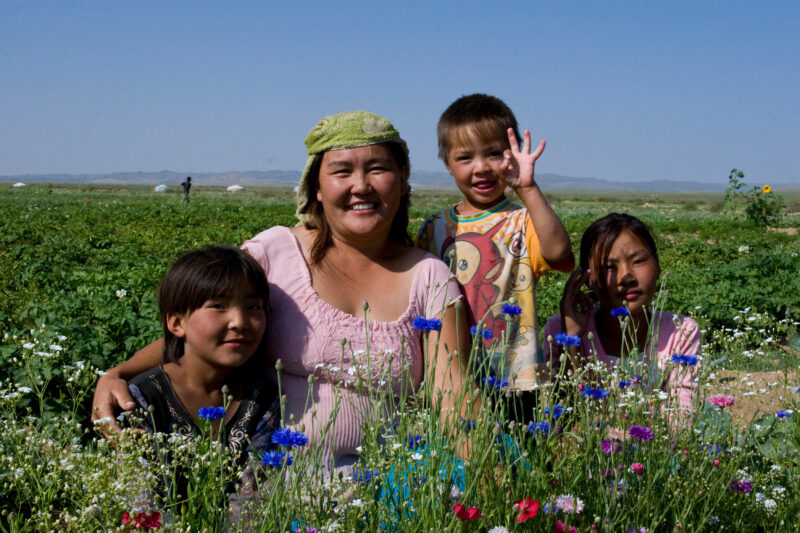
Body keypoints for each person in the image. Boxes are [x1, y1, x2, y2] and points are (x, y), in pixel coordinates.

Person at [92, 111, 470, 471]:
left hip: (383, 482)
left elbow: (455, 399)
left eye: (378, 168)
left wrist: (490, 483)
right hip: (264, 482)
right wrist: (118, 373)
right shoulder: (274, 252)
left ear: (402, 180)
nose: (361, 185)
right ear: (317, 188)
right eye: (342, 171)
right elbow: (205, 326)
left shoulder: (430, 277)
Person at [416, 94, 574, 421]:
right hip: (448, 374)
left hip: (512, 376)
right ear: (446, 163)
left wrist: (527, 189)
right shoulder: (433, 228)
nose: (481, 168)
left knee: (516, 461)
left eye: (493, 154)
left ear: (511, 156)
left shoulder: (523, 220)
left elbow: (560, 256)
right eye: (465, 158)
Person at [127, 245, 278, 461]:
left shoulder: (263, 400)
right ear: (177, 323)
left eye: (253, 307)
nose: (240, 322)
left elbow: (256, 488)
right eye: (218, 306)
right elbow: (139, 489)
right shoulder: (142, 398)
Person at [543, 213, 701, 413]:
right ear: (586, 279)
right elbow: (564, 417)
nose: (626, 276)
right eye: (609, 267)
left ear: (658, 266)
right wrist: (572, 341)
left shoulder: (681, 331)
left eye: (638, 261)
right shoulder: (560, 330)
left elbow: (682, 419)